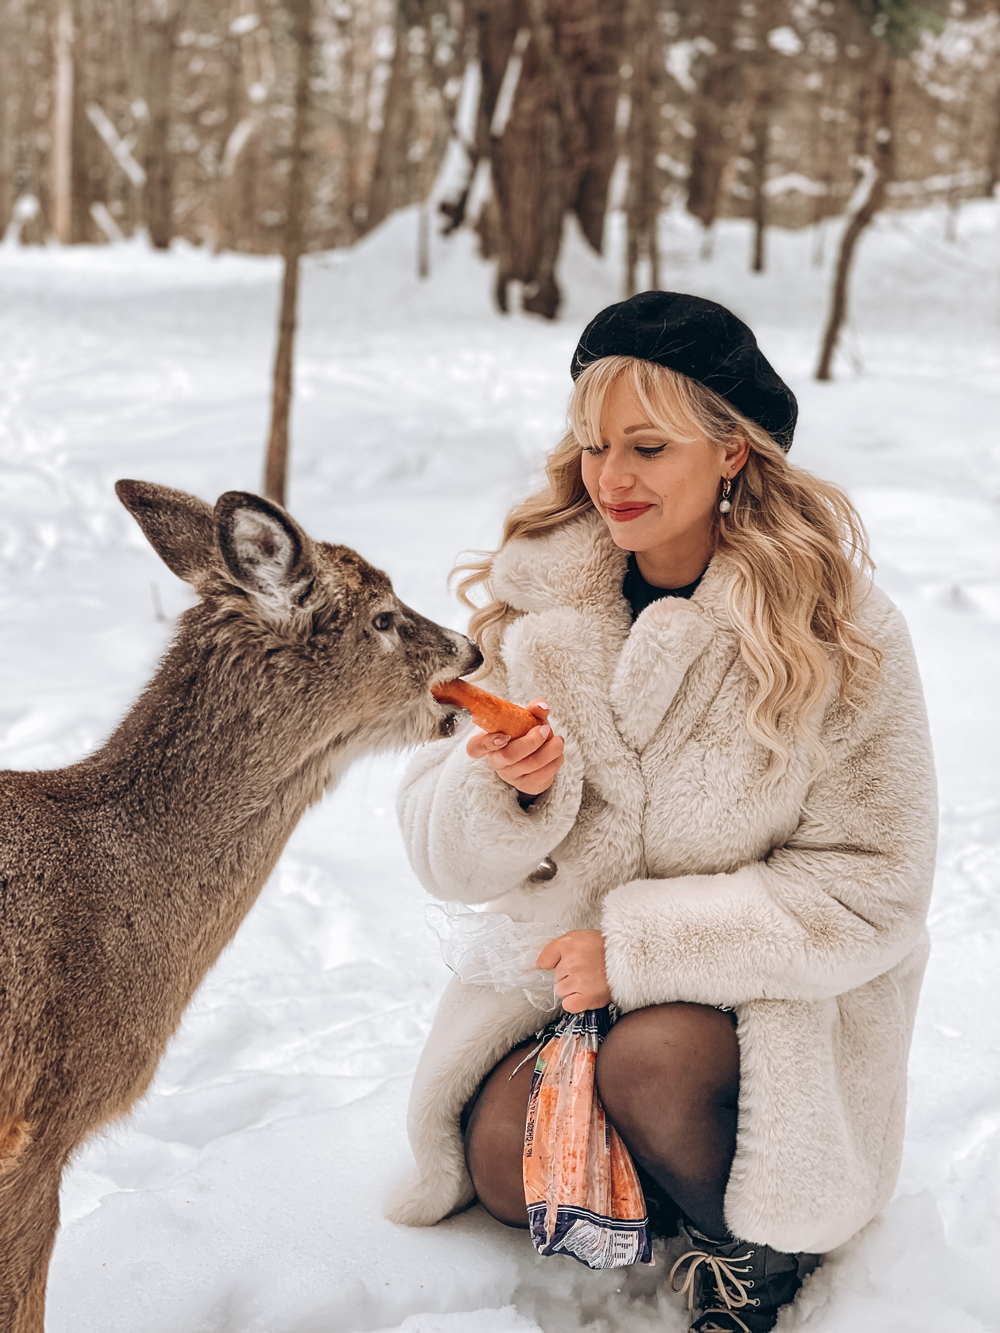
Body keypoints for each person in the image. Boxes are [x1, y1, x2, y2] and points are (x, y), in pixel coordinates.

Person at [386, 291, 936, 1333]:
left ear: (731, 451)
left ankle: (764, 1249)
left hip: (775, 1006)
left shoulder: (839, 630)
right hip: (571, 994)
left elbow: (874, 885)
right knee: (503, 1159)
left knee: (655, 1063)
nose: (610, 479)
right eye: (594, 446)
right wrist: (505, 786)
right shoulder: (535, 605)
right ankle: (666, 1177)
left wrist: (637, 949)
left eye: (646, 446)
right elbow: (436, 854)